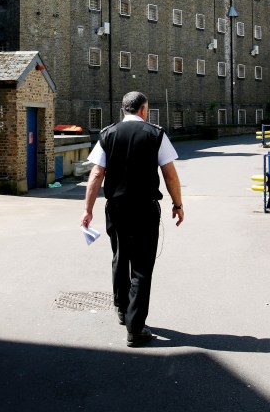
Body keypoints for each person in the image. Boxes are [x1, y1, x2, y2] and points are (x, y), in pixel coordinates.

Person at [80, 91, 183, 347]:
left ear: (123, 110)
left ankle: (122, 309)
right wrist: (178, 204)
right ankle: (135, 329)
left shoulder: (107, 134)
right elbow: (170, 174)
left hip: (116, 208)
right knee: (142, 267)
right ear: (144, 109)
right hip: (145, 209)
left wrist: (87, 209)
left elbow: (96, 175)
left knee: (120, 257)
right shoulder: (156, 134)